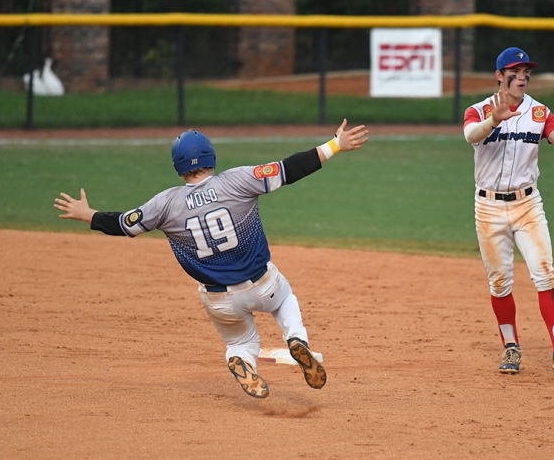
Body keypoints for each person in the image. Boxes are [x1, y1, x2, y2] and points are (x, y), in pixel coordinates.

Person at [53, 120, 369, 397]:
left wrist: (87, 215)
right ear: (211, 157)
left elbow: (124, 224)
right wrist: (335, 145)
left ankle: (244, 361)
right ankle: (297, 338)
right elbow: (290, 169)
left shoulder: (165, 204)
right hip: (263, 284)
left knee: (241, 341)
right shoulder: (239, 180)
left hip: (219, 300)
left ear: (178, 167)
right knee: (284, 297)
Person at [462, 47, 554, 374]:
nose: (523, 76)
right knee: (499, 283)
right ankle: (511, 348)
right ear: (499, 76)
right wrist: (493, 120)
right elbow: (470, 134)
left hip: (528, 205)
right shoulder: (479, 110)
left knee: (545, 273)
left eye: (526, 71)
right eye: (515, 71)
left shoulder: (540, 113)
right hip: (488, 207)